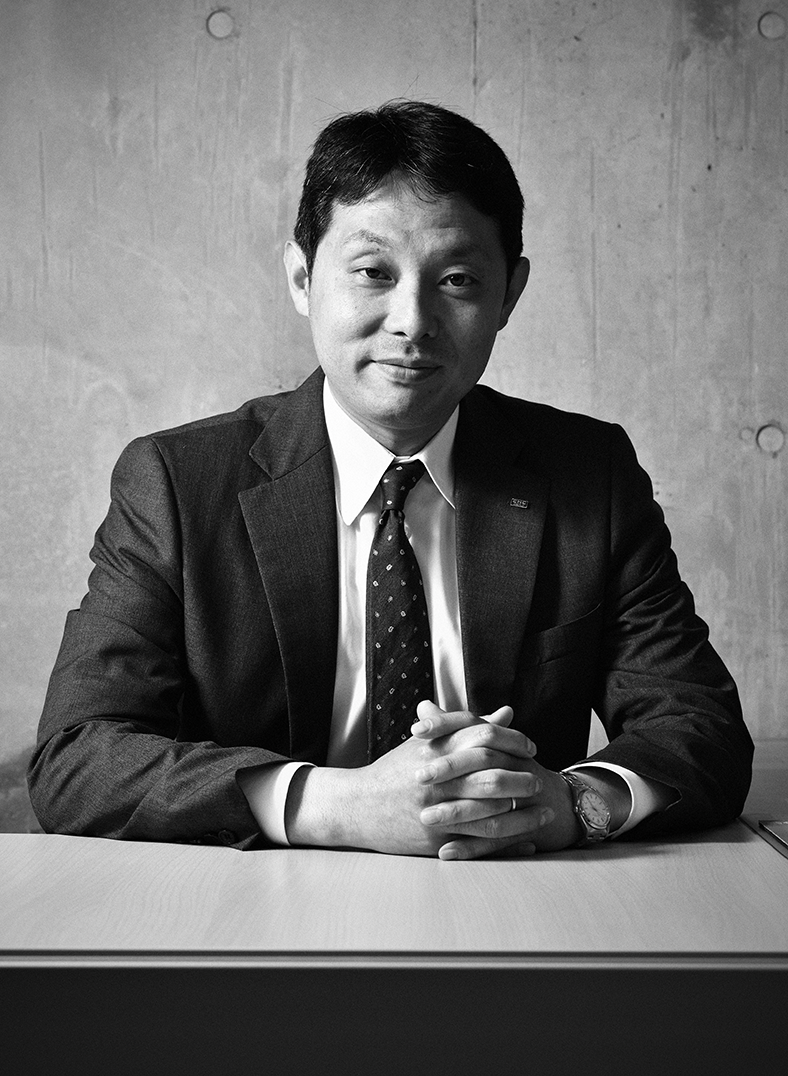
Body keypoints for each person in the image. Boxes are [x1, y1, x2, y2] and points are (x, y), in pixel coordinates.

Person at [28, 100, 753, 860]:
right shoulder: (177, 484)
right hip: (256, 903)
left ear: (509, 295)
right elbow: (78, 755)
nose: (412, 320)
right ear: (302, 277)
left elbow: (697, 724)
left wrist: (571, 803)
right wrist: (333, 805)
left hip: (514, 894)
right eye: (373, 272)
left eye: (458, 279)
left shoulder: (587, 474)